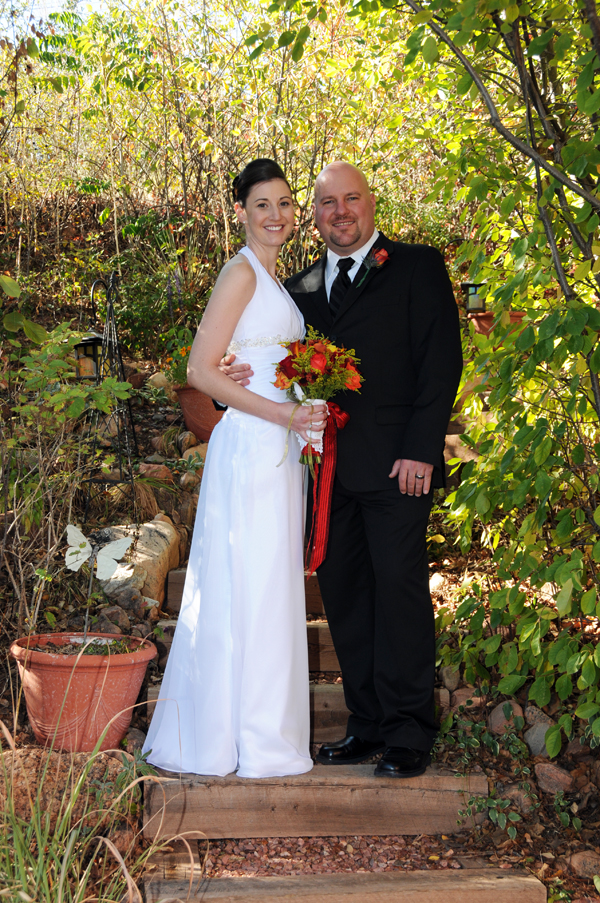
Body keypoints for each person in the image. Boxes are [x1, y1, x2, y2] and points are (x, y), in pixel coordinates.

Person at [222, 161, 463, 778]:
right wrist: (230, 374)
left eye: (351, 199)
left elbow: (439, 367)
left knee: (400, 594)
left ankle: (409, 730)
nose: (341, 212)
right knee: (346, 600)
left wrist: (421, 449)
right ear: (318, 215)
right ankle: (367, 724)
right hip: (320, 471)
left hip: (396, 468)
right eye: (328, 203)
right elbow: (267, 356)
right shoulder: (297, 289)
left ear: (371, 202)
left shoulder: (416, 267)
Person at [143, 159, 327, 778]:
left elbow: (236, 362)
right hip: (251, 447)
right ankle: (231, 737)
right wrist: (282, 414)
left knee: (269, 583)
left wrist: (300, 403)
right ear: (241, 212)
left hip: (276, 449)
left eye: (283, 204)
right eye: (262, 205)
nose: (275, 216)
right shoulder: (241, 273)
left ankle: (260, 732)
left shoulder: (276, 280)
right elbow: (200, 371)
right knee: (247, 580)